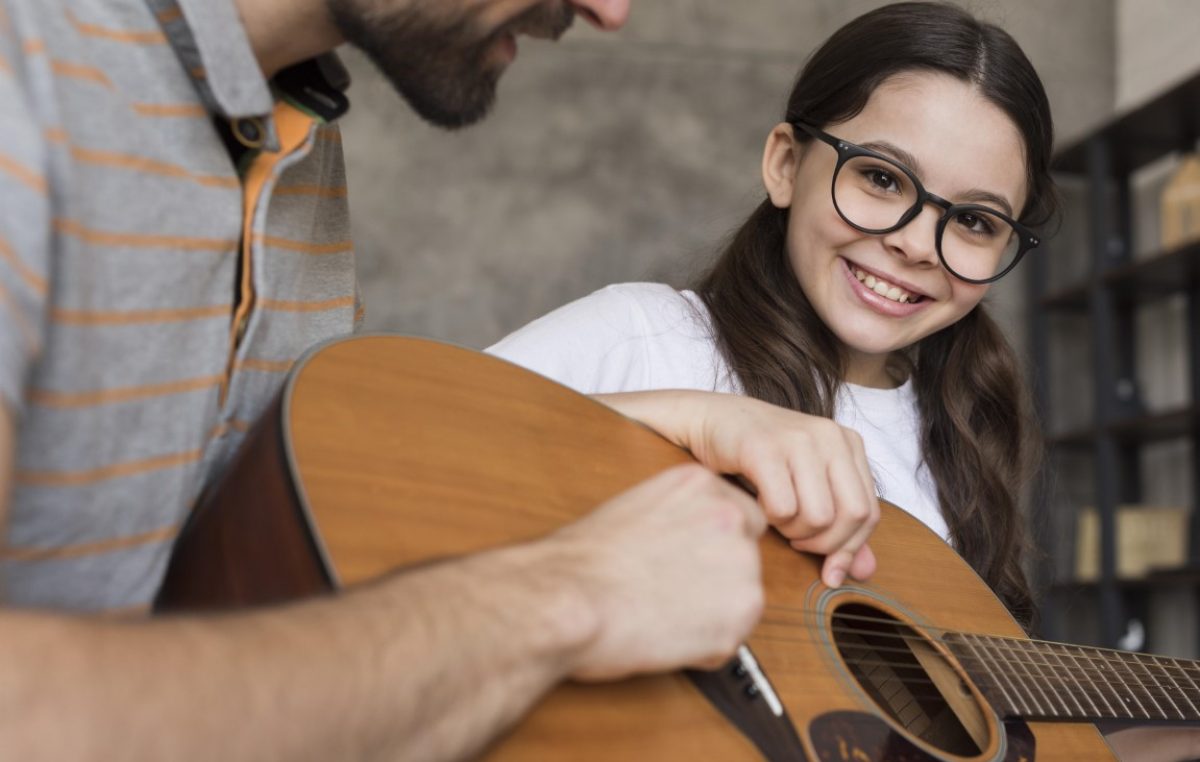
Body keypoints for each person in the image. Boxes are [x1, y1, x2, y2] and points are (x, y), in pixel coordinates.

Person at [0, 0, 882, 758]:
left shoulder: (293, 129)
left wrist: (678, 417)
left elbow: (253, 530)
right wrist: (564, 597)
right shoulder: (25, 70)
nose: (611, 12)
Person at [487, 3, 1200, 760]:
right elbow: (373, 449)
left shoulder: (954, 446)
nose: (917, 245)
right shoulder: (646, 334)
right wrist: (696, 418)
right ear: (786, 165)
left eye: (975, 223)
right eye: (883, 179)